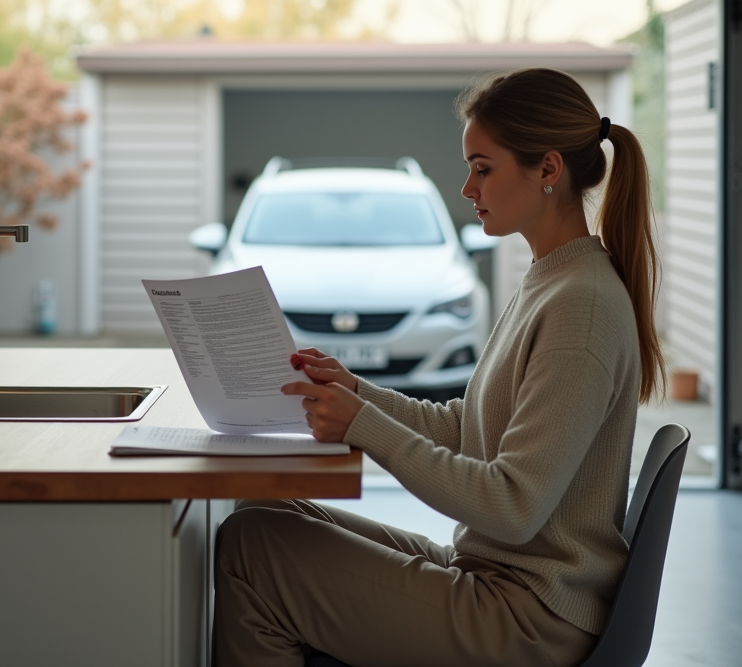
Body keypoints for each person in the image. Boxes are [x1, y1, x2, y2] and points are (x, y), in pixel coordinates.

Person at [213, 67, 664, 667]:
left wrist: (360, 426)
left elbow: (511, 505)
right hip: (500, 578)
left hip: (529, 616)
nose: (467, 188)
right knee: (261, 515)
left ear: (548, 171)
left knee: (252, 547)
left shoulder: (580, 305)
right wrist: (355, 392)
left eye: (483, 168)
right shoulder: (552, 279)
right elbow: (468, 429)